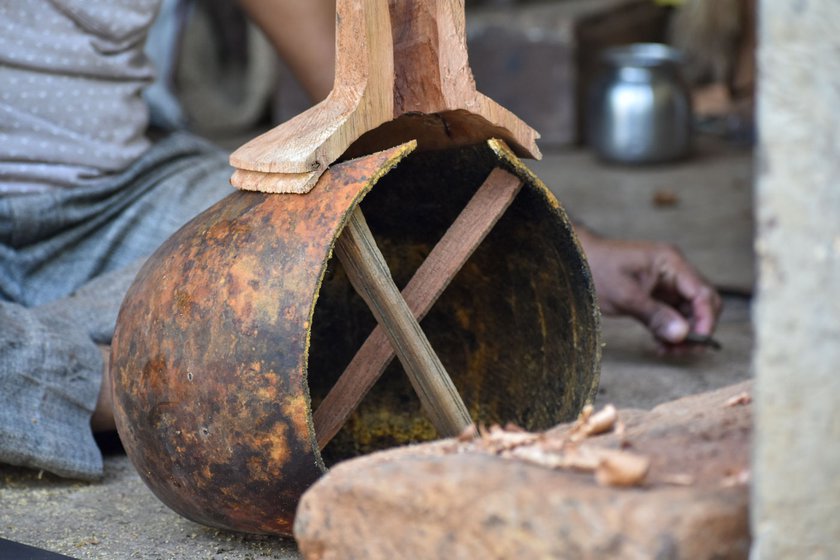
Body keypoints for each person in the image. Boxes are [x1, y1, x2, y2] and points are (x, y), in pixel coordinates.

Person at [0, 0, 720, 481]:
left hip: (124, 197)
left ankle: (149, 359)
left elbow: (360, 94)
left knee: (347, 214)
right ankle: (120, 385)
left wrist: (573, 244)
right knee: (257, 340)